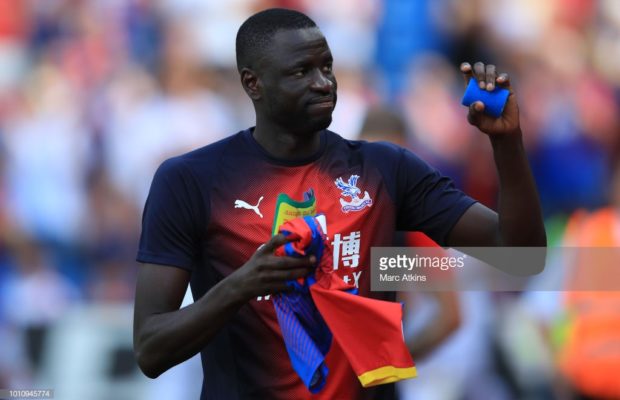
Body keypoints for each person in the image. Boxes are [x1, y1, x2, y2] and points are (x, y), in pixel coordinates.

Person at [133, 8, 546, 400]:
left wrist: (506, 143)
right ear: (252, 83)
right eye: (301, 71)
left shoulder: (385, 169)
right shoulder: (190, 180)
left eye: (326, 67)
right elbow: (151, 351)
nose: (323, 82)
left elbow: (520, 253)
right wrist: (241, 286)